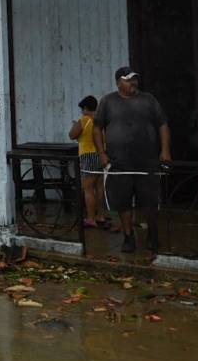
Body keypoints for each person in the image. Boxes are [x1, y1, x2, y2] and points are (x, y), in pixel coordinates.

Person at [93, 66, 171, 254]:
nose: (133, 82)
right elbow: (96, 128)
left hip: (147, 161)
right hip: (119, 162)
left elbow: (163, 124)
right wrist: (102, 153)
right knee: (123, 202)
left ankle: (153, 234)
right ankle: (128, 237)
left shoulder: (148, 100)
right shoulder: (108, 101)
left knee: (150, 201)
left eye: (134, 79)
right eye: (128, 79)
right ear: (118, 83)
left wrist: (165, 150)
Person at [68, 95, 109, 230]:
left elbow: (72, 135)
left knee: (88, 189)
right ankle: (100, 216)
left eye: (82, 109)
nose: (82, 112)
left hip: (88, 155)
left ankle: (90, 218)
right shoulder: (100, 121)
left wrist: (75, 125)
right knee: (99, 187)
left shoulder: (84, 120)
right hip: (101, 155)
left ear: (85, 108)